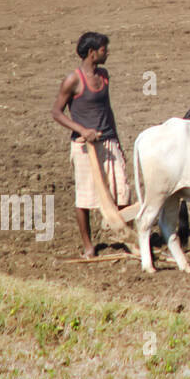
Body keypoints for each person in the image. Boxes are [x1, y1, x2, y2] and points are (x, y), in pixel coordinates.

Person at [50, 31, 130, 259]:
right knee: (85, 197)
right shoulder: (73, 80)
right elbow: (56, 112)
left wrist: (117, 140)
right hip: (85, 146)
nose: (107, 53)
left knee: (121, 191)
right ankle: (88, 245)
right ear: (92, 53)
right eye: (104, 49)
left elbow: (108, 109)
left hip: (108, 141)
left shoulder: (104, 76)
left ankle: (125, 238)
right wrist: (82, 130)